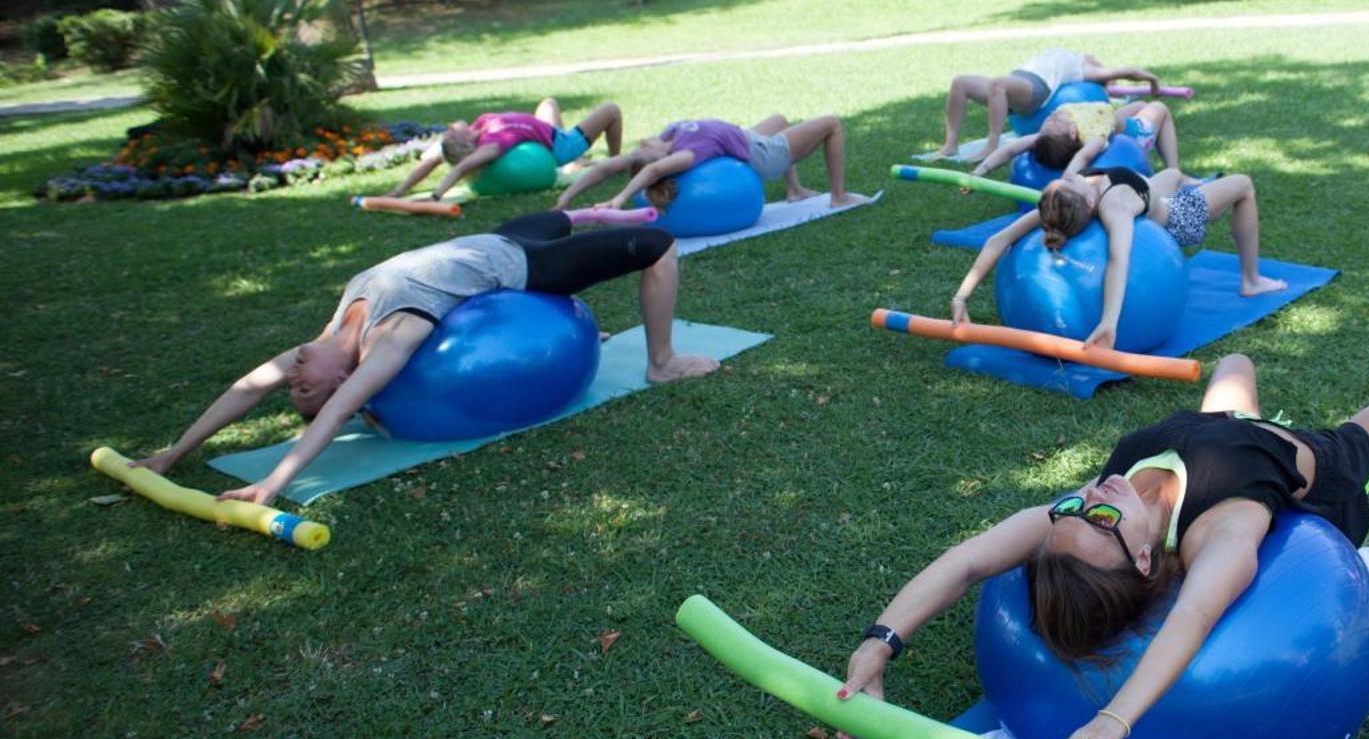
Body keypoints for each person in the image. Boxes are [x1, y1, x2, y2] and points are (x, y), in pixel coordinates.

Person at [834, 354, 1369, 739]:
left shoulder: (1083, 516)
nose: (1092, 495)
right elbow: (1196, 612)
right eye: (1099, 518)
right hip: (1318, 467)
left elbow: (968, 559)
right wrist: (1110, 723)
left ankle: (1251, 414)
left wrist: (878, 642)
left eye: (1075, 505)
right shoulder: (1224, 527)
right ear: (1144, 558)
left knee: (1235, 364)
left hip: (1227, 428)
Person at [128, 212, 715, 506]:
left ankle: (604, 214)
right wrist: (273, 484)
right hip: (522, 268)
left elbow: (246, 387)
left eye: (294, 381)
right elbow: (332, 421)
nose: (293, 377)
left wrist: (174, 451)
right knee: (658, 249)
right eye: (302, 389)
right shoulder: (389, 343)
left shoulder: (329, 337)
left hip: (482, 240)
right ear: (342, 380)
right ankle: (661, 360)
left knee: (562, 217)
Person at [952, 166, 1286, 349]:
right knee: (1243, 184)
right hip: (1175, 217)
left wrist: (961, 295)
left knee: (1172, 173)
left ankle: (1194, 181)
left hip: (1152, 188)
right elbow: (1119, 260)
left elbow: (998, 240)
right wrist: (1108, 321)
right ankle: (1251, 279)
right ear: (1091, 204)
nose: (1070, 175)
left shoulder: (1057, 207)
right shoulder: (1116, 208)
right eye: (1069, 181)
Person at [556, 114, 867, 214]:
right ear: (657, 160)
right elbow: (651, 171)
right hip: (762, 154)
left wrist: (565, 199)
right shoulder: (681, 157)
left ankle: (795, 190)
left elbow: (605, 167)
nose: (641, 146)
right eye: (642, 152)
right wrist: (618, 199)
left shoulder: (667, 138)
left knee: (779, 118)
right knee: (832, 124)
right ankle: (838, 195)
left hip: (746, 137)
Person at [939, 49, 1163, 157]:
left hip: (1035, 89)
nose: (1093, 55)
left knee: (997, 84)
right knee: (960, 83)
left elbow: (1125, 71)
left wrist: (1153, 81)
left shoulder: (1085, 68)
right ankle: (950, 145)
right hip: (1017, 84)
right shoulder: (1069, 55)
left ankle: (991, 145)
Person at [391, 98, 623, 200]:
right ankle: (616, 161)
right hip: (561, 145)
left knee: (548, 103)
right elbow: (461, 168)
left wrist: (400, 190)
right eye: (451, 133)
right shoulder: (489, 147)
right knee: (611, 110)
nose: (450, 127)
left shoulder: (476, 129)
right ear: (463, 143)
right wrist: (435, 196)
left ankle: (578, 163)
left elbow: (430, 162)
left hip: (545, 132)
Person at [969, 98, 1180, 180]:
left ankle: (1172, 170)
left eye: (1051, 121)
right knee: (1159, 108)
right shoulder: (1092, 138)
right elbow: (1084, 155)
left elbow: (1009, 150)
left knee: (1140, 103)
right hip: (1134, 137)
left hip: (1113, 117)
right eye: (1055, 121)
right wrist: (1068, 176)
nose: (1051, 117)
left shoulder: (1045, 136)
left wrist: (981, 171)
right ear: (1072, 133)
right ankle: (1174, 171)